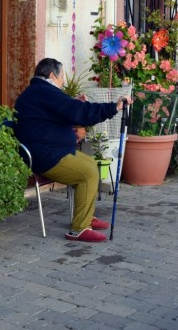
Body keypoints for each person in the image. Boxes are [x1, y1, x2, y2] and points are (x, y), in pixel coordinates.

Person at [13, 58, 129, 242]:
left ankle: (86, 216)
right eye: (62, 77)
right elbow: (76, 111)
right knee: (87, 173)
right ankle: (79, 229)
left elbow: (57, 115)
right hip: (45, 156)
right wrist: (113, 107)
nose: (64, 82)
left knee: (91, 163)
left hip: (48, 150)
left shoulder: (39, 92)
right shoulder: (45, 92)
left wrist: (72, 116)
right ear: (52, 75)